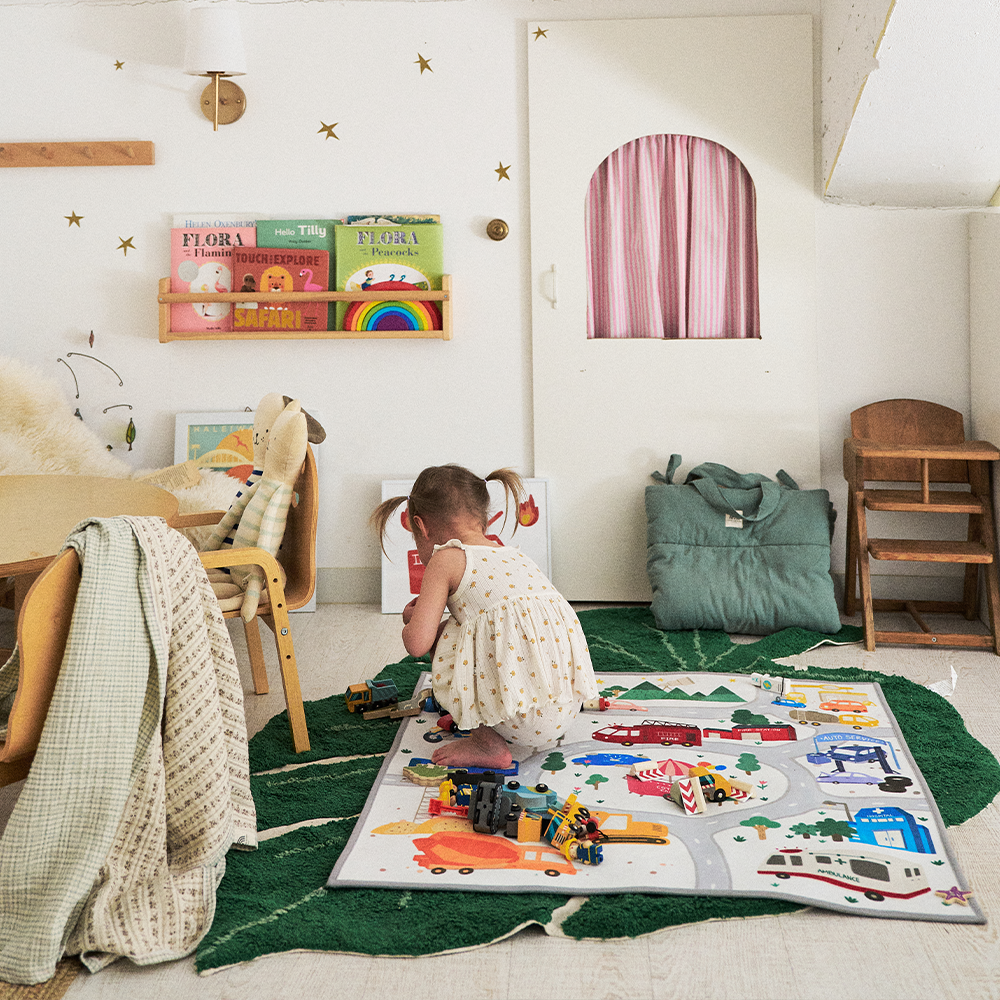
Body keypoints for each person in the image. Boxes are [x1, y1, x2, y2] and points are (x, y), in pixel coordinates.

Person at [371, 464, 598, 769]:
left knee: (446, 635)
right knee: (468, 628)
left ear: (421, 527)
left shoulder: (445, 558)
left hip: (521, 718)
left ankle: (487, 742)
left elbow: (416, 643)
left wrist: (411, 618)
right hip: (566, 705)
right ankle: (488, 715)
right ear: (483, 518)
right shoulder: (514, 555)